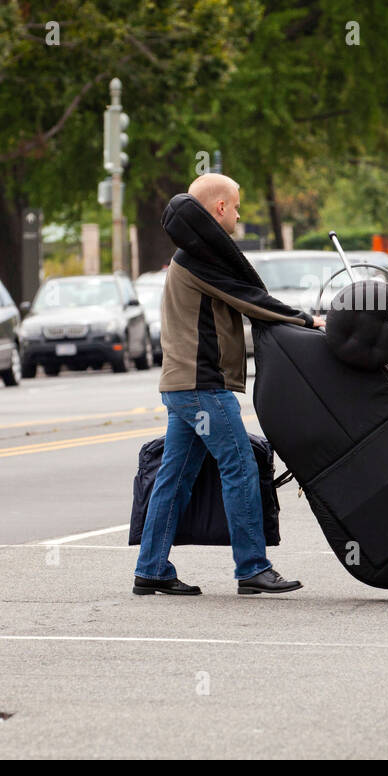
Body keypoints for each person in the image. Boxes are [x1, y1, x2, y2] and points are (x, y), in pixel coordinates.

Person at [133, 173, 320, 596]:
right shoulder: (199, 258)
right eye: (235, 206)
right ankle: (252, 567)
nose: (238, 213)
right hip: (202, 387)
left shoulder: (192, 254)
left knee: (175, 478)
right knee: (239, 467)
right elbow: (248, 298)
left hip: (184, 385)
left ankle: (151, 568)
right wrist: (307, 320)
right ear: (219, 208)